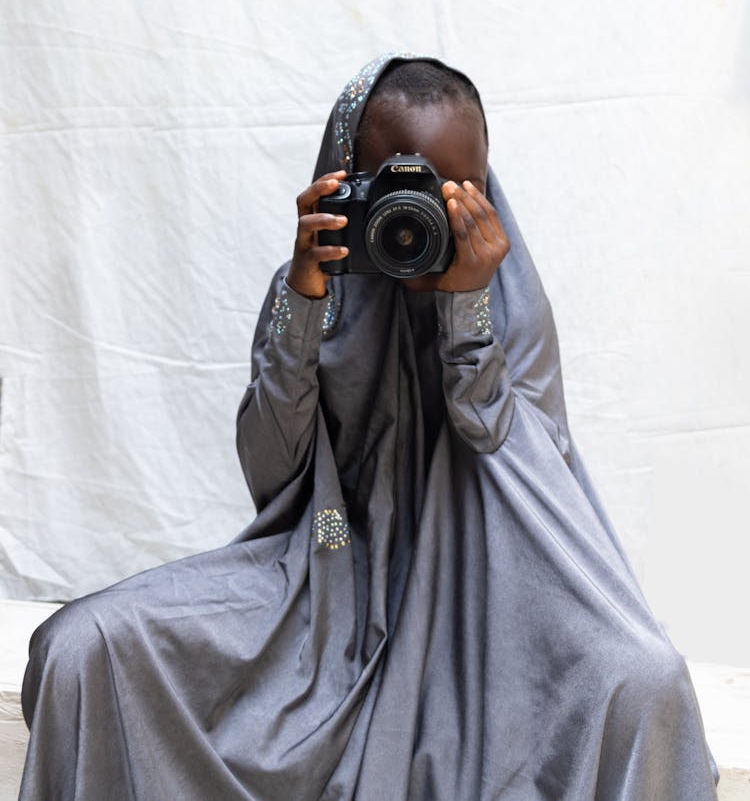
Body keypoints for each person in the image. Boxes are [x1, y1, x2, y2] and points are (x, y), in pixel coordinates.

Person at [20, 54, 718, 800]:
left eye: (460, 190)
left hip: (485, 587)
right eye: (403, 188)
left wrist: (467, 311)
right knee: (83, 643)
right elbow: (271, 472)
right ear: (348, 178)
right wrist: (304, 303)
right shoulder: (314, 287)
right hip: (323, 573)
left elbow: (523, 471)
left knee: (648, 677)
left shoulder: (508, 298)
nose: (426, 217)